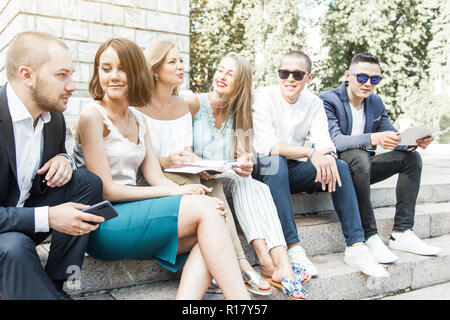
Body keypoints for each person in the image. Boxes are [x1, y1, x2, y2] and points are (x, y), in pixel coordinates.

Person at [72, 38, 249, 300]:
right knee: (208, 210)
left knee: (215, 219)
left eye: (122, 69)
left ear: (136, 73)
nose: (114, 77)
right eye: (106, 68)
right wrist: (175, 194)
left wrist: (188, 191)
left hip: (135, 217)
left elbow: (155, 176)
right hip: (103, 223)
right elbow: (107, 189)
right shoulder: (92, 116)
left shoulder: (138, 119)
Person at [138, 40, 272, 296]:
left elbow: (189, 151)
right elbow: (145, 161)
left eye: (181, 61)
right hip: (158, 179)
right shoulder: (185, 103)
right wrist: (171, 162)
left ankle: (269, 258)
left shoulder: (181, 105)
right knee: (212, 192)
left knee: (236, 185)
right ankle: (242, 263)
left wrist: (239, 164)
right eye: (173, 62)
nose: (181, 66)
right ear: (155, 69)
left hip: (191, 173)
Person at [252, 50, 389, 278]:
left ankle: (356, 246)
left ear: (309, 77)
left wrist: (326, 156)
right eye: (284, 73)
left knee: (341, 167)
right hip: (265, 171)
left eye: (297, 74)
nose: (290, 79)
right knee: (275, 162)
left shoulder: (314, 103)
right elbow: (266, 145)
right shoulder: (263, 96)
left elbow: (325, 142)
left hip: (293, 170)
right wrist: (310, 152)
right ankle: (293, 247)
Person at [185, 52, 310, 300]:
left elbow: (243, 155)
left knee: (253, 184)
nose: (222, 76)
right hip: (199, 179)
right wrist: (210, 165)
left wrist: (246, 163)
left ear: (240, 82)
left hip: (227, 179)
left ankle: (277, 260)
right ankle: (269, 261)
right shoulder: (194, 104)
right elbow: (184, 155)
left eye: (230, 74)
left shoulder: (240, 114)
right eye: (221, 70)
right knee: (256, 187)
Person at [0, 31, 105, 300]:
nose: (72, 86)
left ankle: (61, 284)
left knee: (87, 182)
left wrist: (64, 160)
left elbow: (57, 155)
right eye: (62, 75)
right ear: (27, 75)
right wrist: (48, 217)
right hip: (9, 235)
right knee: (14, 245)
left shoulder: (54, 118)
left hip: (22, 220)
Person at [319, 52, 441, 262]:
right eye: (362, 77)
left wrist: (414, 141)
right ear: (348, 75)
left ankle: (402, 232)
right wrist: (374, 138)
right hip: (337, 169)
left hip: (363, 168)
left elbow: (393, 136)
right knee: (359, 156)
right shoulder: (327, 100)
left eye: (375, 79)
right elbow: (336, 141)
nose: (368, 83)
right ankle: (370, 235)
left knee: (411, 160)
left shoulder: (375, 103)